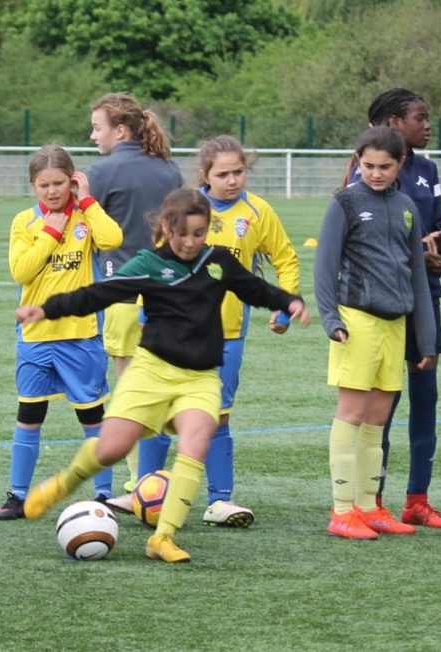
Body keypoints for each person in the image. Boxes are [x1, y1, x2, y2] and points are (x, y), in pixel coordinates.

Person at [21, 188, 309, 562]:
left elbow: (254, 288)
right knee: (112, 448)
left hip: (200, 377)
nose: (191, 242)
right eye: (182, 233)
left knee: (197, 439)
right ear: (166, 228)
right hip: (151, 372)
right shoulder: (148, 265)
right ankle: (65, 482)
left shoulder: (217, 261)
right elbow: (97, 294)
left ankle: (163, 538)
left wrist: (288, 301)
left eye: (199, 232)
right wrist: (47, 309)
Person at [109, 136, 299, 528]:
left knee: (217, 415)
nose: (232, 180)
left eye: (238, 172)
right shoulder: (185, 208)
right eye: (223, 174)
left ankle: (220, 500)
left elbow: (285, 257)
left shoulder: (257, 212)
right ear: (204, 175)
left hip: (225, 334)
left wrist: (284, 304)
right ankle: (144, 490)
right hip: (169, 331)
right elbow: (155, 264)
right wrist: (145, 312)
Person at [315, 126, 436, 540]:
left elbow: (417, 275)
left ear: (400, 163)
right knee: (351, 414)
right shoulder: (345, 203)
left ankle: (370, 507)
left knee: (377, 420)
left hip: (395, 325)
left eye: (385, 166)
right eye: (368, 165)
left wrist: (426, 335)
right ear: (357, 162)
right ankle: (342, 510)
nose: (376, 173)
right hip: (357, 323)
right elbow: (325, 267)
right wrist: (332, 318)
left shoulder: (405, 206)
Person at [0, 144, 123, 520]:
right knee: (29, 415)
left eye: (60, 183)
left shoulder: (86, 217)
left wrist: (89, 202)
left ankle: (102, 494)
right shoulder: (24, 222)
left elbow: (113, 240)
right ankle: (17, 495)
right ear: (33, 186)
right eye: (44, 184)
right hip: (35, 337)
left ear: (73, 181)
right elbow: (22, 271)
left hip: (80, 335)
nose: (52, 191)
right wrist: (51, 232)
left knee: (91, 417)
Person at [351, 88, 441, 529]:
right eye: (420, 117)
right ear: (394, 124)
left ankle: (418, 498)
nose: (427, 125)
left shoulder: (428, 169)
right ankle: (370, 499)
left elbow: (435, 230)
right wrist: (416, 255)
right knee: (383, 405)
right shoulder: (364, 179)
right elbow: (357, 246)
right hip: (382, 303)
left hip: (425, 298)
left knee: (426, 398)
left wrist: (438, 249)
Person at [87, 93, 184, 495]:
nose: (92, 136)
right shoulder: (170, 170)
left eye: (97, 127)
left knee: (130, 393)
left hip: (124, 297)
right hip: (168, 296)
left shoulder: (101, 171)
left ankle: (140, 485)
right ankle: (158, 480)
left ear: (120, 130)